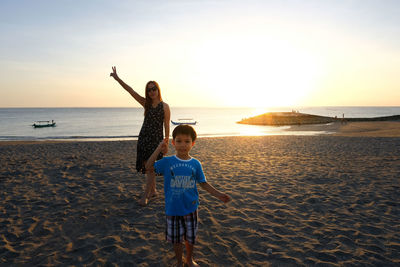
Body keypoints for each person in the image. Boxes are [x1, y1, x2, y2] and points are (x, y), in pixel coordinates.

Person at [145, 125, 231, 267]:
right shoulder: (167, 162)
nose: (182, 145)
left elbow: (203, 183)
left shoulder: (195, 163)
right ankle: (179, 261)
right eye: (178, 141)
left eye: (186, 141)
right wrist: (158, 149)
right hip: (173, 209)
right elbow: (149, 166)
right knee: (176, 239)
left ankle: (189, 259)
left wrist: (219, 194)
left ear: (193, 143)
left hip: (191, 208)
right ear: (173, 143)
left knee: (190, 238)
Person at [110, 66, 170, 206]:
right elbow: (130, 90)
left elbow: (167, 125)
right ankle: (153, 190)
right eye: (149, 90)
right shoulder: (146, 104)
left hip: (156, 141)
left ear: (158, 89)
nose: (151, 92)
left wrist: (166, 142)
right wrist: (117, 78)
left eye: (153, 88)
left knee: (150, 168)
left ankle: (146, 196)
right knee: (148, 167)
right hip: (144, 138)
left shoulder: (165, 107)